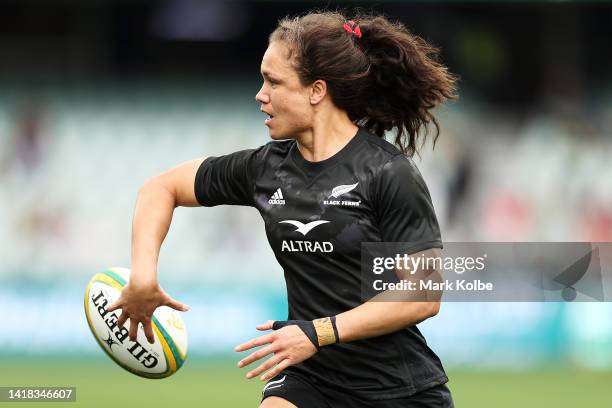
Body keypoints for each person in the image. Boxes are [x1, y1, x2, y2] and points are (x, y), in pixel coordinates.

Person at [108, 10, 458, 408]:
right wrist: (142, 276)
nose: (260, 94)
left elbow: (423, 294)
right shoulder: (265, 168)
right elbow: (160, 189)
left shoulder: (388, 172)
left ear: (316, 91)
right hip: (312, 377)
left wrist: (317, 333)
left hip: (399, 390)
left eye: (273, 82)